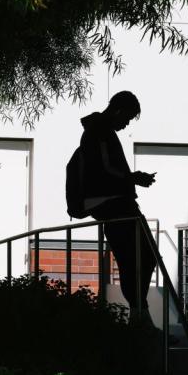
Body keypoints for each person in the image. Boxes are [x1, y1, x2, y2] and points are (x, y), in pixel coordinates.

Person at [76, 90, 158, 327]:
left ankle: (140, 316)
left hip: (116, 203)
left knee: (140, 258)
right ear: (119, 111)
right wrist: (133, 178)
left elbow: (106, 169)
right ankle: (139, 318)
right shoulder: (99, 132)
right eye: (128, 118)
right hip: (112, 204)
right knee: (135, 259)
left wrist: (131, 179)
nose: (127, 124)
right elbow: (104, 169)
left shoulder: (100, 130)